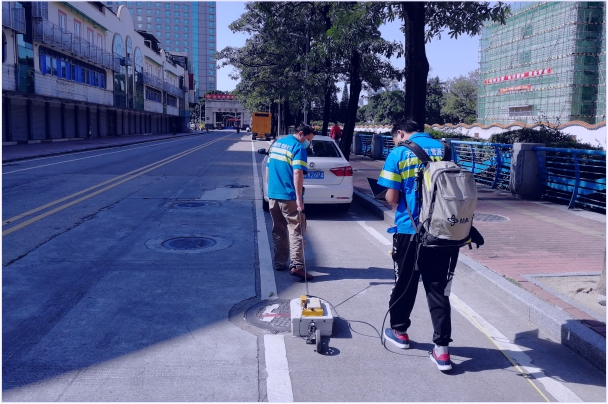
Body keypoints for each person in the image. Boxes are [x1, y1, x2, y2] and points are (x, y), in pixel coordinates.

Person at [377, 118, 459, 372]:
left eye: (395, 138)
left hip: (409, 230)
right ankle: (442, 351)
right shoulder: (445, 148)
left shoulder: (399, 153)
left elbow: (392, 198)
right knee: (437, 289)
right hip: (442, 231)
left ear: (400, 133)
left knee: (405, 283)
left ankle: (400, 332)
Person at [266, 123, 316, 281]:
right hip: (289, 196)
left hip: (273, 195)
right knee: (297, 231)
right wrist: (299, 199)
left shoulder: (277, 144)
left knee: (278, 229)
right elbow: (297, 173)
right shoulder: (298, 148)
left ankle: (279, 262)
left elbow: (268, 168)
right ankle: (297, 266)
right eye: (308, 139)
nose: (308, 143)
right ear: (301, 134)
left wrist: (270, 190)